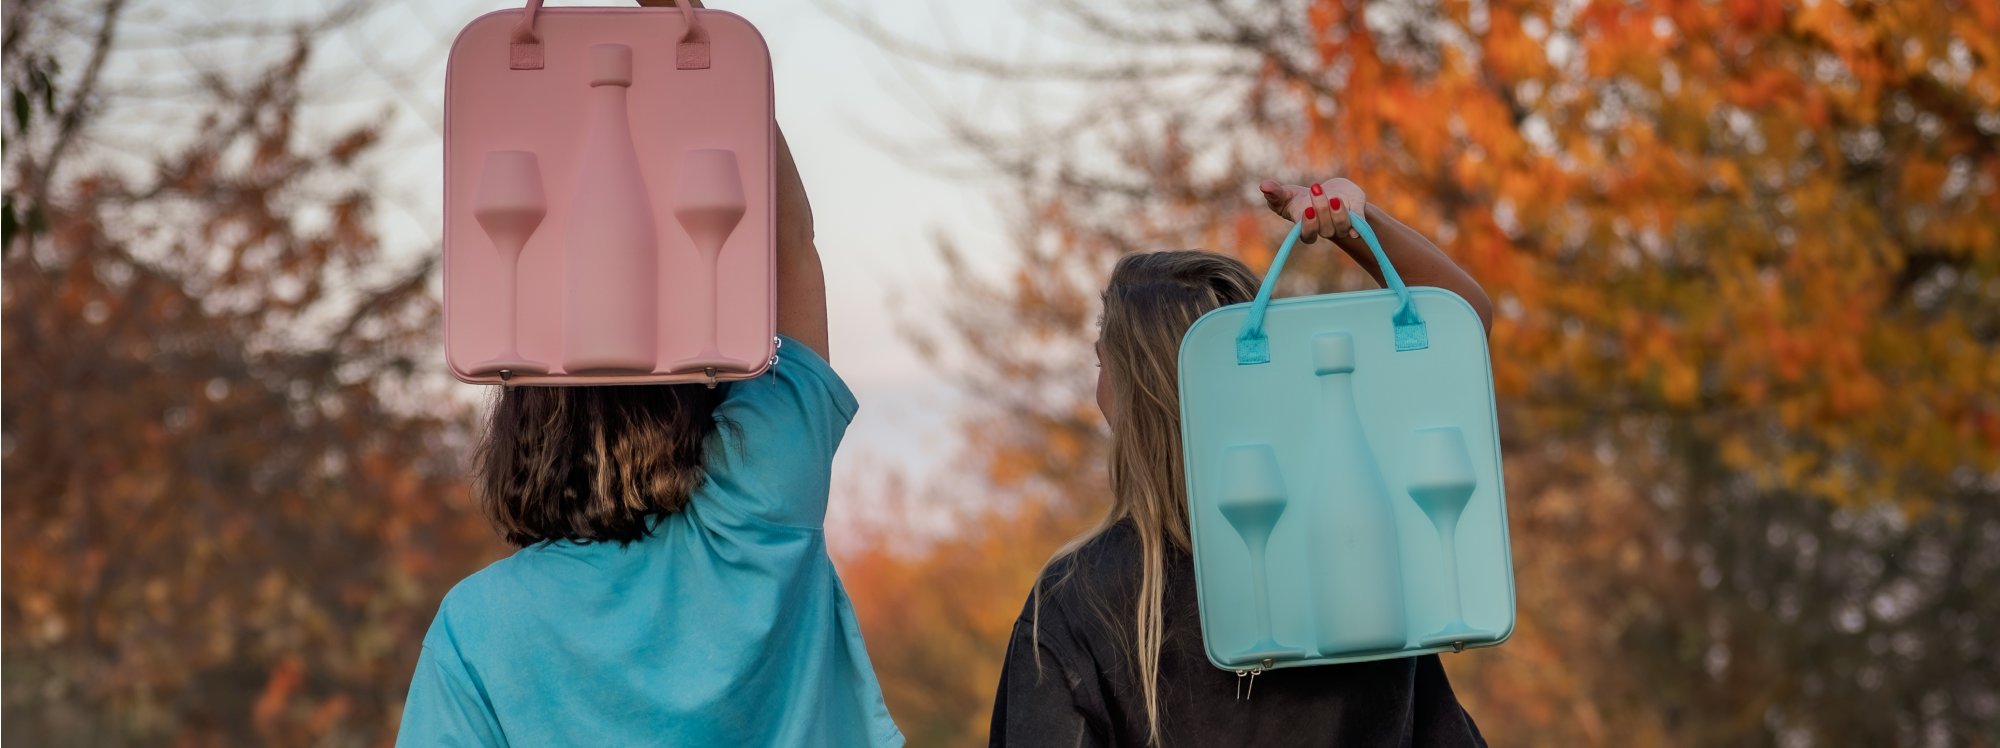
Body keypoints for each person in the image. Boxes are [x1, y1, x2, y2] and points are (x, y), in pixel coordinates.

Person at [394, 124, 904, 746]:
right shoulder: (756, 511)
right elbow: (792, 247)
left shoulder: (476, 629)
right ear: (690, 386)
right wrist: (715, 71)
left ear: (521, 415)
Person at [988, 178, 1496, 747]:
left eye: (1101, 362)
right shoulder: (1357, 535)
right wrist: (1355, 225)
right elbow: (1460, 327)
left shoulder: (1079, 599)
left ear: (1135, 395)